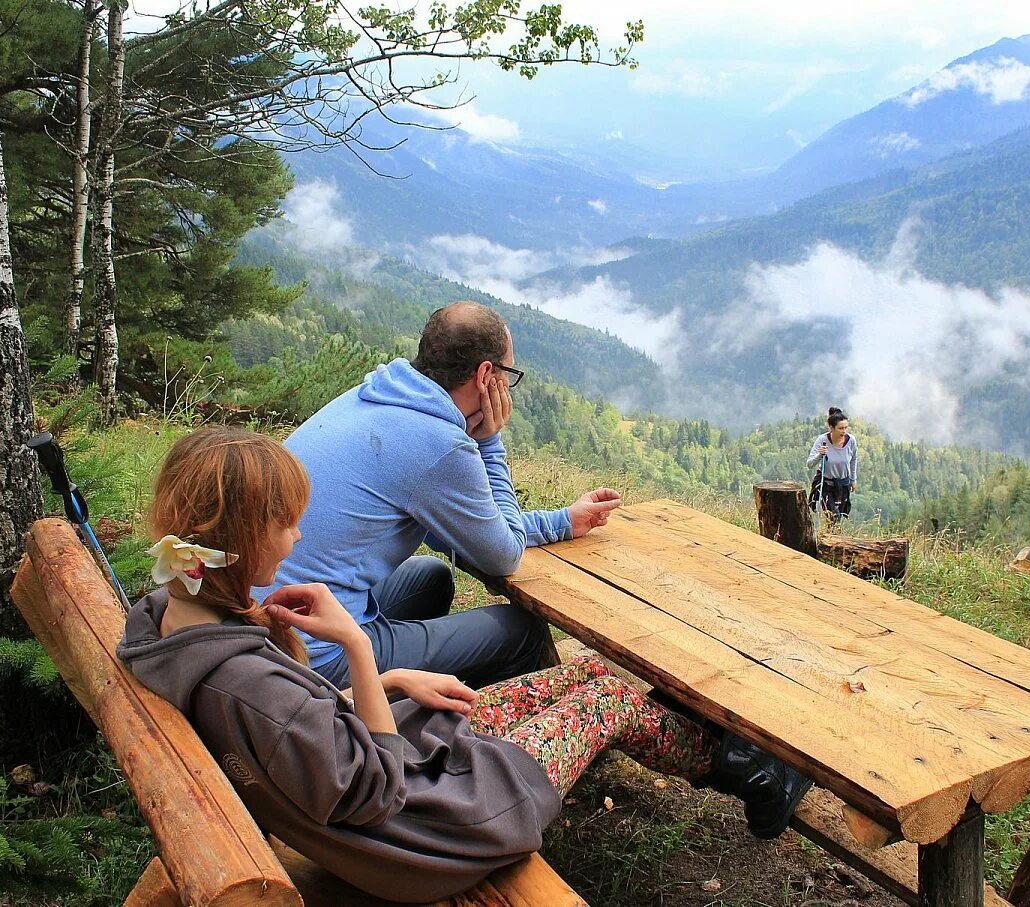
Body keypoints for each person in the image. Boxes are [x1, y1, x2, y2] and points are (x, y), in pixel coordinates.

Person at [117, 427, 814, 902]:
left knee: (589, 676)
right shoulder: (248, 684)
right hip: (428, 831)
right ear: (243, 533)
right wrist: (360, 650)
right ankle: (757, 780)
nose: (298, 534)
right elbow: (373, 789)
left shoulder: (172, 611)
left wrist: (389, 681)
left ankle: (735, 757)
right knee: (609, 701)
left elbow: (307, 731)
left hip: (404, 783)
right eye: (287, 522)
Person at [262, 302, 621, 690]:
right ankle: (472, 730)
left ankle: (408, 689)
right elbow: (504, 556)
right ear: (486, 375)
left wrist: (563, 521)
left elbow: (453, 529)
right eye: (508, 374)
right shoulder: (438, 444)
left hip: (271, 619)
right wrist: (489, 441)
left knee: (431, 577)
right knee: (522, 631)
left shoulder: (378, 394)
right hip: (311, 655)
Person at [807, 407, 858, 521]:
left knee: (839, 517)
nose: (844, 431)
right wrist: (820, 455)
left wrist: (853, 480)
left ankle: (833, 536)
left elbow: (854, 459)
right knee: (834, 517)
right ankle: (831, 536)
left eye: (845, 428)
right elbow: (809, 464)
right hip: (826, 485)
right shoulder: (822, 440)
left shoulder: (851, 440)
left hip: (843, 485)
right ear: (831, 428)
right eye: (840, 428)